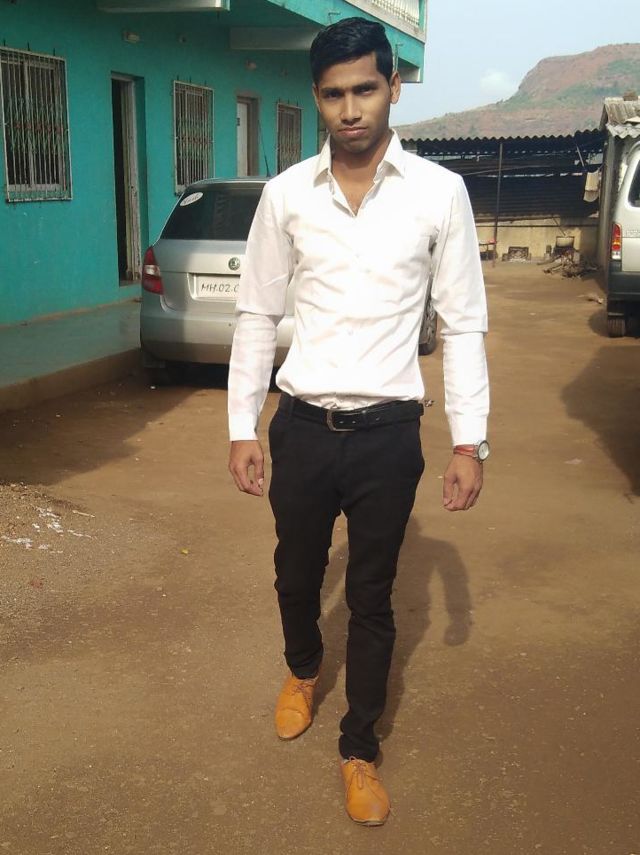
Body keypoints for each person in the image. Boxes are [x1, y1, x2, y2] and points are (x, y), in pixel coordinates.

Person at [228, 16, 489, 827]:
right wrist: (242, 424)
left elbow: (464, 322)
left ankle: (359, 748)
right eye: (334, 94)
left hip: (387, 435)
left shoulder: (439, 194)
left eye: (365, 90)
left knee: (371, 596)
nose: (350, 110)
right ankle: (304, 666)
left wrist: (469, 439)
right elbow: (255, 312)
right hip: (302, 428)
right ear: (317, 97)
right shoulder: (285, 195)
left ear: (393, 87)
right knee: (295, 573)